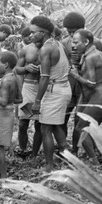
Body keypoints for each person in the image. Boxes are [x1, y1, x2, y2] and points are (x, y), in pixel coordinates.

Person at [31, 16, 72, 172]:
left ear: (43, 33)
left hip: (55, 91)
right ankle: (69, 157)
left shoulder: (46, 49)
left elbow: (45, 77)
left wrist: (37, 101)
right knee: (54, 126)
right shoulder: (58, 44)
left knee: (45, 129)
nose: (31, 35)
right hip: (63, 88)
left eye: (34, 32)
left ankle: (49, 166)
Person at [70, 30, 102, 164]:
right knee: (90, 127)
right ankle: (99, 157)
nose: (73, 45)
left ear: (86, 42)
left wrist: (76, 75)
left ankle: (95, 162)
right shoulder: (98, 53)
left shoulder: (90, 58)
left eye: (76, 42)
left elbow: (92, 83)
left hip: (99, 95)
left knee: (81, 128)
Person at [14, 31, 42, 160]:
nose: (32, 35)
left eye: (36, 31)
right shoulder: (26, 50)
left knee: (39, 123)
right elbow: (17, 69)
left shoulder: (51, 49)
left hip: (43, 88)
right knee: (23, 122)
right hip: (29, 87)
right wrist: (26, 68)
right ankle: (23, 150)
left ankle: (35, 154)